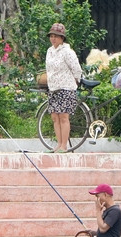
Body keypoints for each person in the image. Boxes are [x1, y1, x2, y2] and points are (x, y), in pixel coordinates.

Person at [44, 22, 84, 153]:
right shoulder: (49, 51)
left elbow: (76, 69)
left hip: (66, 88)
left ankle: (64, 146)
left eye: (56, 36)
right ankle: (58, 144)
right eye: (51, 36)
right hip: (53, 87)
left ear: (62, 38)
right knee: (55, 117)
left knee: (63, 117)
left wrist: (75, 82)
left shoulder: (67, 52)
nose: (53, 38)